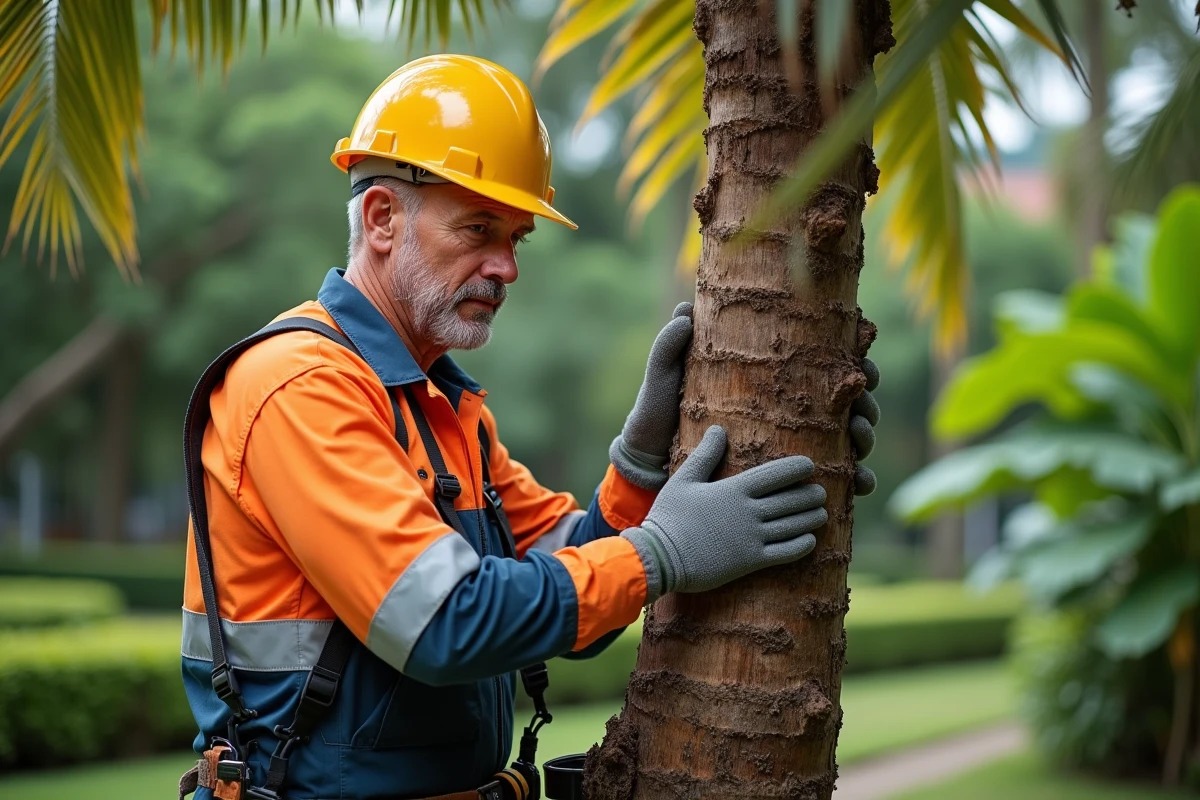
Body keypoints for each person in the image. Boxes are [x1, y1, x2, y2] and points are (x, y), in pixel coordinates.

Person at [177, 54, 879, 800]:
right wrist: (665, 552)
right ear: (382, 218)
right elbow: (445, 622)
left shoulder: (439, 406)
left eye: (516, 237)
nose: (505, 266)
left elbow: (578, 593)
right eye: (478, 228)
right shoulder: (300, 387)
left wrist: (642, 461)